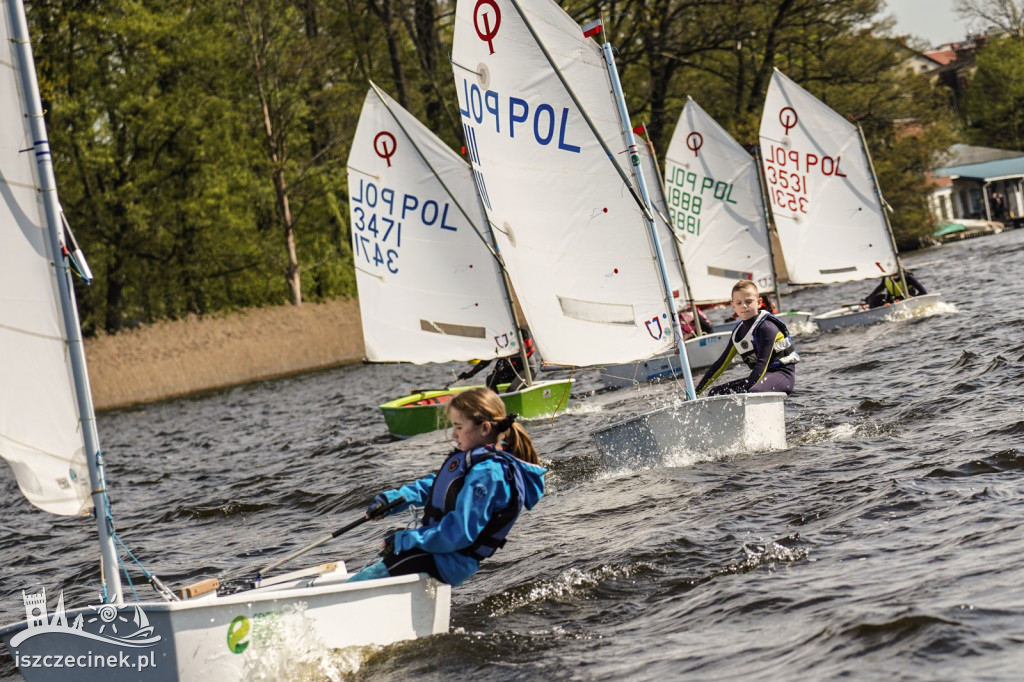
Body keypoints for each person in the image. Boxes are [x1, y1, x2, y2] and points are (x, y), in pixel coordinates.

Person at [347, 387, 545, 587]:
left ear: (485, 428)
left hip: (450, 560)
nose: (453, 434)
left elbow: (460, 533)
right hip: (438, 550)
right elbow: (436, 485)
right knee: (373, 571)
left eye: (459, 427)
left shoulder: (488, 473)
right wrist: (392, 500)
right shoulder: (473, 462)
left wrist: (405, 540)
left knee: (360, 583)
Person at [696, 279, 799, 396]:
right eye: (739, 303)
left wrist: (745, 390)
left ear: (759, 302)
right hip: (760, 379)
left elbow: (762, 363)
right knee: (715, 393)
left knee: (752, 392)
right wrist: (696, 392)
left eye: (748, 301)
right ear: (733, 306)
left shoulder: (767, 327)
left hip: (782, 376)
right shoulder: (738, 333)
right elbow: (720, 364)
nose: (744, 306)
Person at [457, 327, 539, 392]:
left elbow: (530, 351)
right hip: (512, 371)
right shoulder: (497, 339)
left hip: (528, 369)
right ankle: (496, 404)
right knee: (490, 379)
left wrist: (507, 356)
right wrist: (470, 374)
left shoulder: (521, 332)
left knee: (511, 390)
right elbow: (486, 361)